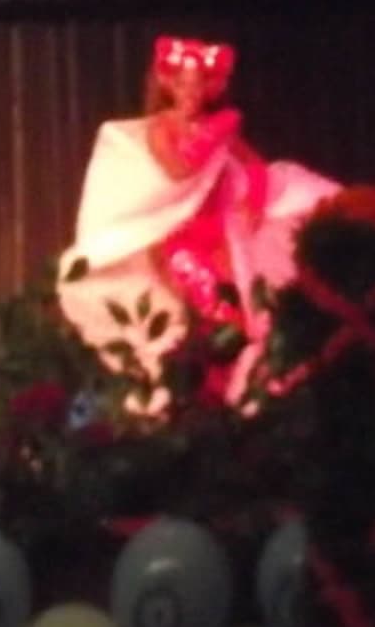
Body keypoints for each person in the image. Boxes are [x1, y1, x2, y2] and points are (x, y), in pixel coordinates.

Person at [59, 37, 337, 398]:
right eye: (183, 84)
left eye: (199, 84)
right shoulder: (162, 127)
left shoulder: (218, 125)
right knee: (200, 304)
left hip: (220, 229)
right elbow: (176, 171)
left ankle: (246, 376)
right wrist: (209, 139)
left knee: (248, 298)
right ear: (169, 85)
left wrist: (252, 201)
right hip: (182, 235)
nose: (191, 92)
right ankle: (200, 384)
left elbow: (253, 166)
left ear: (210, 88)